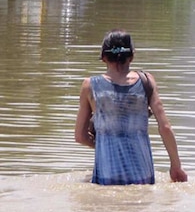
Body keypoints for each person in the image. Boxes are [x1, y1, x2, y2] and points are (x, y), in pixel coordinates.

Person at [74, 29, 188, 185]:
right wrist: (176, 166)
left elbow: (80, 136)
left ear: (103, 57)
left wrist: (103, 144)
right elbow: (165, 127)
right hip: (143, 173)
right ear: (132, 56)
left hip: (108, 173)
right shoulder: (147, 81)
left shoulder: (90, 86)